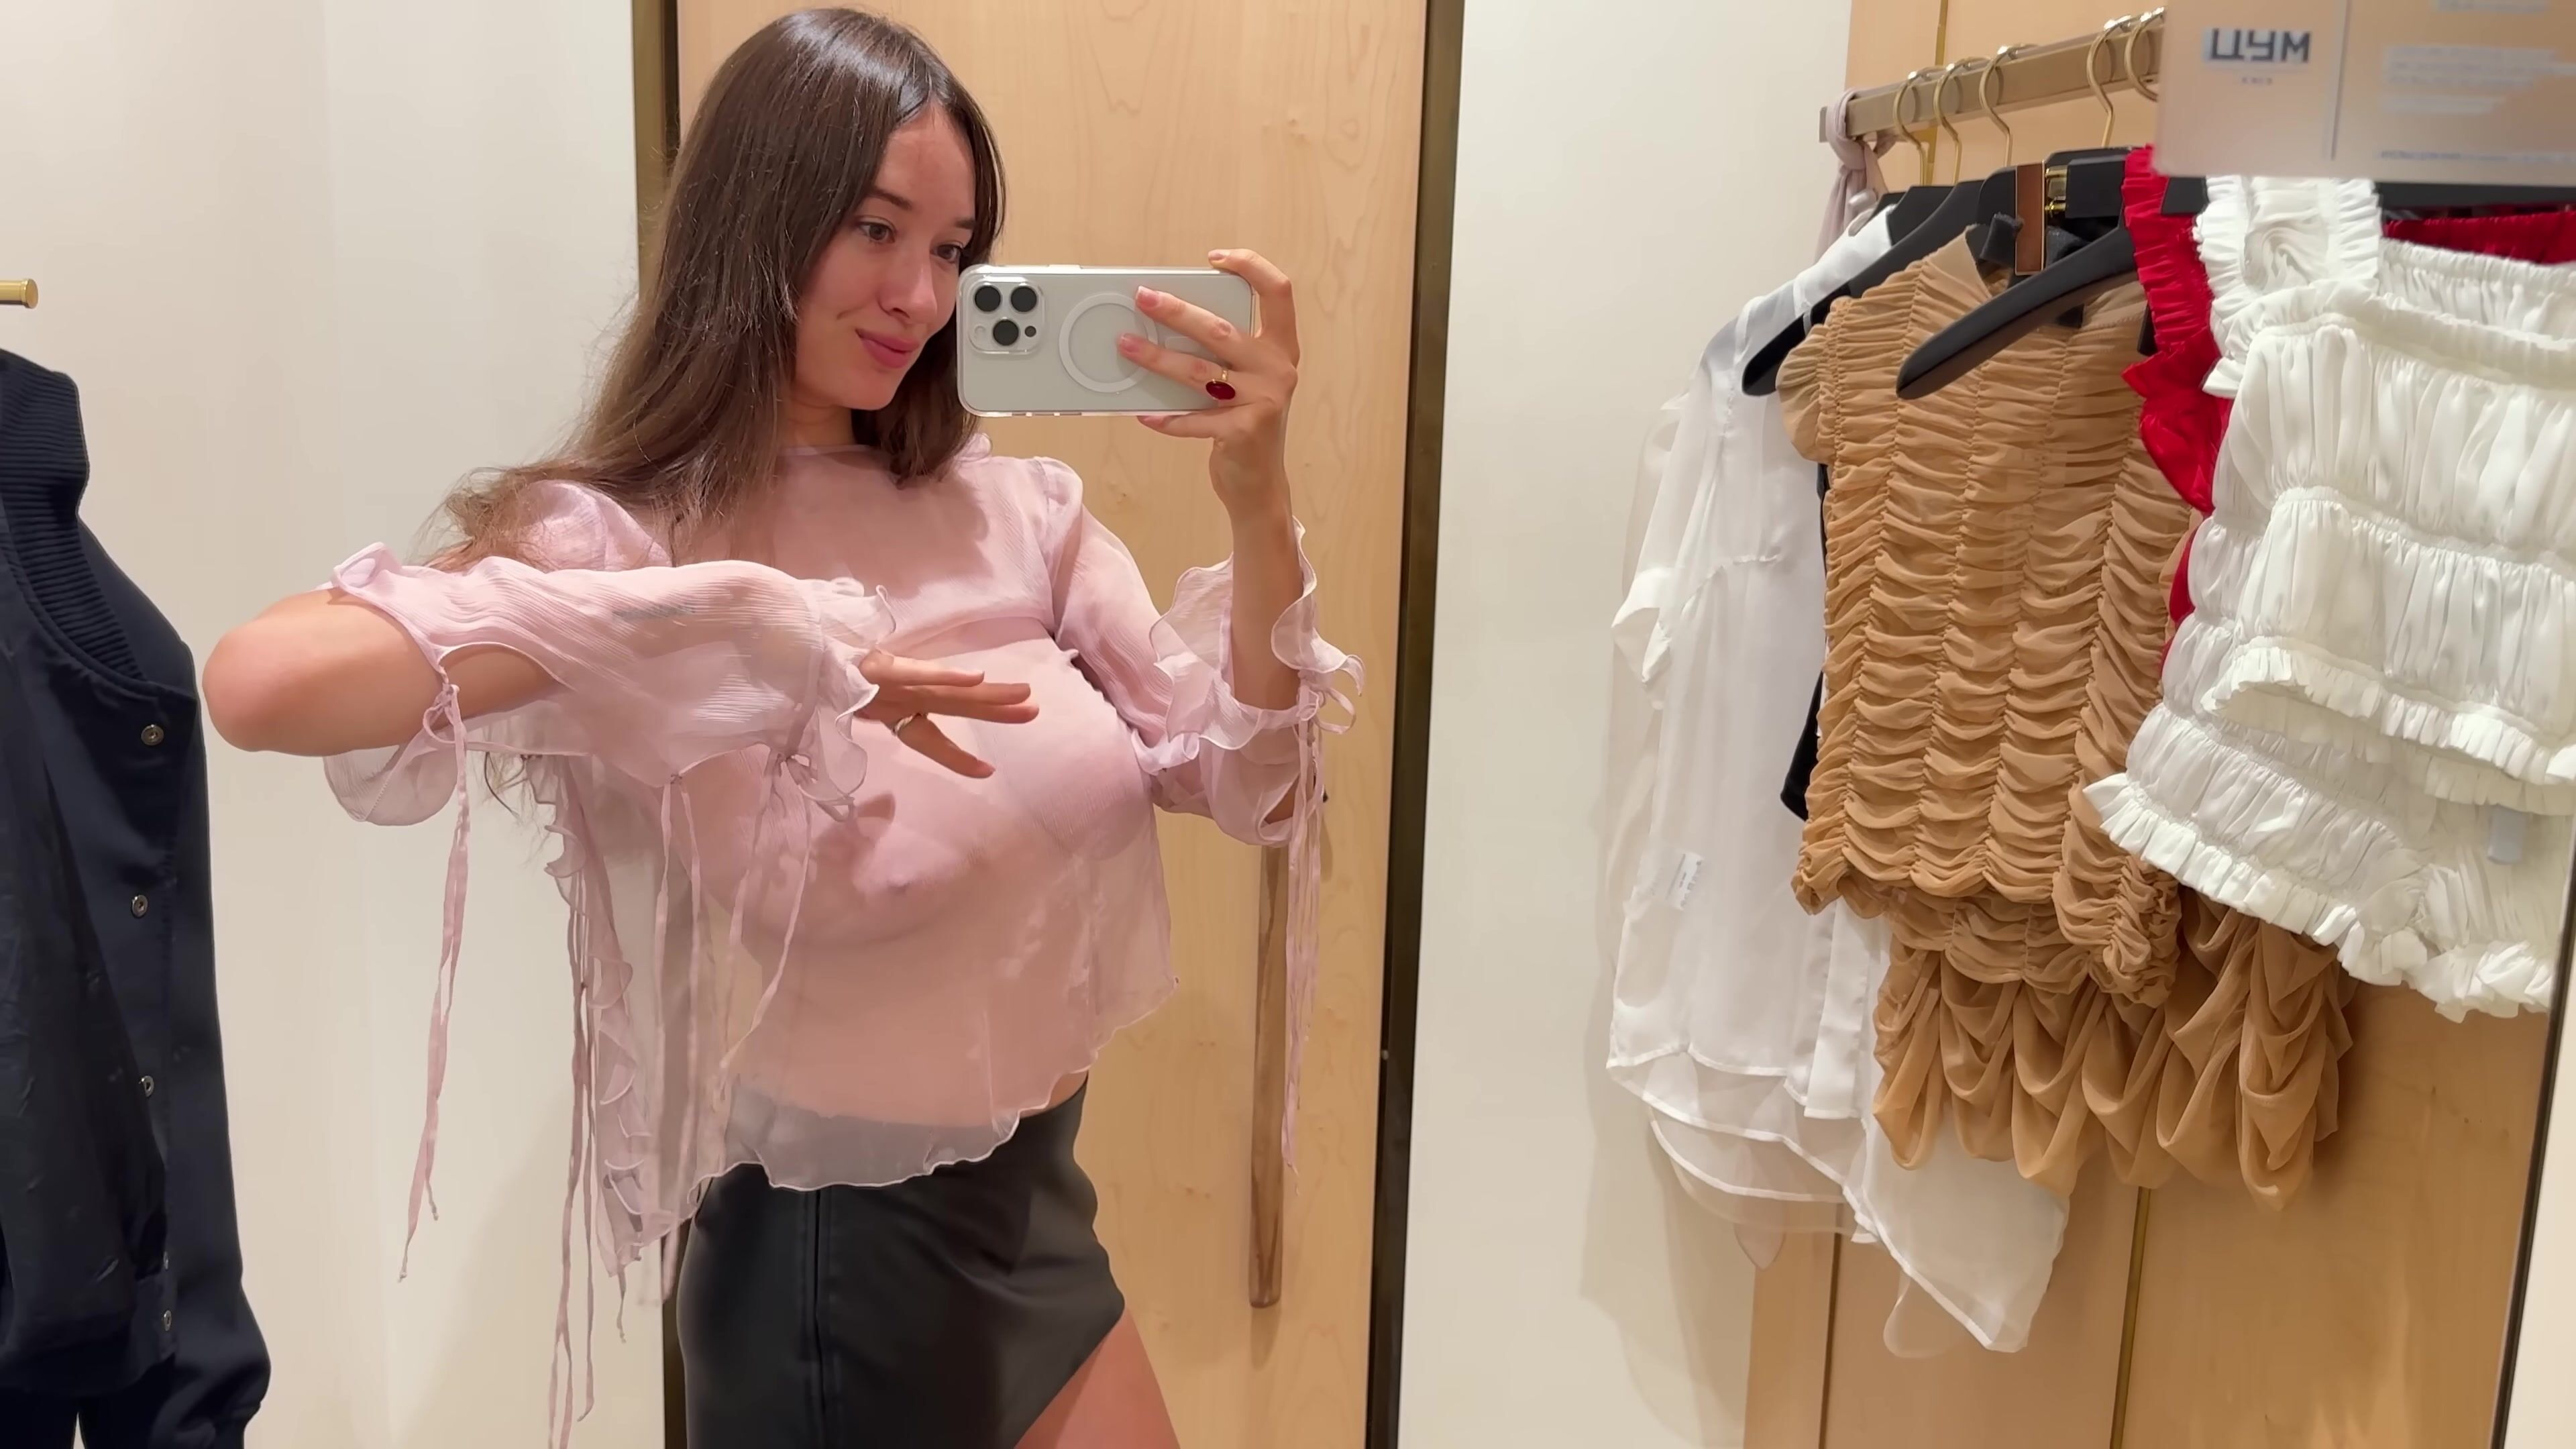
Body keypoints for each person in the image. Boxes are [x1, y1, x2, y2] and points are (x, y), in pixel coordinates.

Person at [202, 9, 1352, 1447]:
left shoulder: (1019, 512)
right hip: (838, 1267)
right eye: (875, 229)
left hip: (1036, 1205)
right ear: (759, 217)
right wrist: (758, 626)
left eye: (952, 247)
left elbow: (1252, 783)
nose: (920, 295)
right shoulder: (628, 541)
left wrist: (1258, 496)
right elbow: (262, 685)